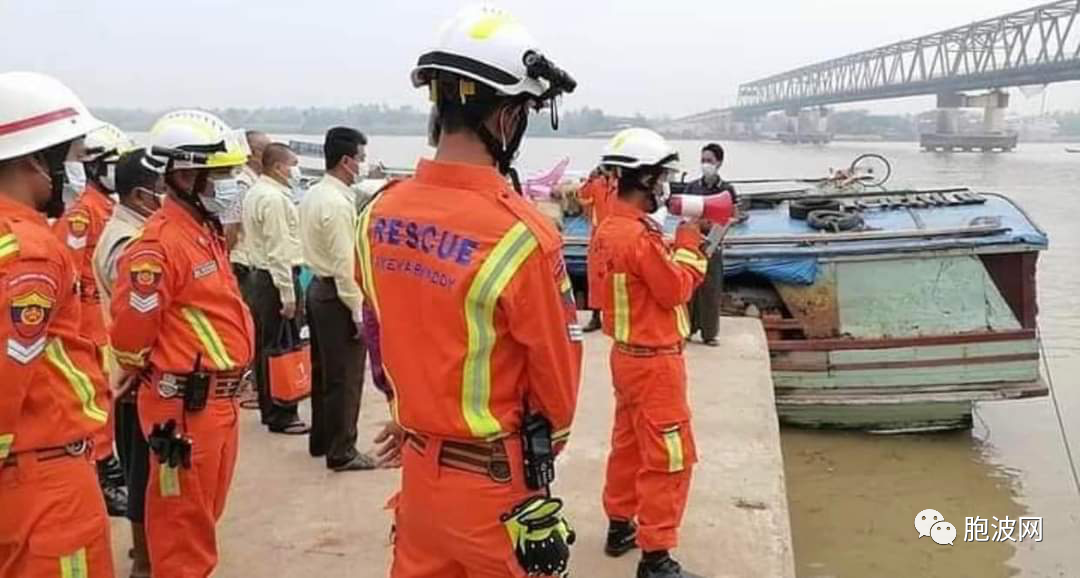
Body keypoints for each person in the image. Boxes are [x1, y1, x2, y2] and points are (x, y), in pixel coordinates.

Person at [356, 6, 581, 577]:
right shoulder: (523, 237)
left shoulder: (377, 212)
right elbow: (556, 395)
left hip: (418, 477)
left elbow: (379, 334)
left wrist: (416, 415)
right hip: (494, 490)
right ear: (507, 118)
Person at [109, 109, 254, 578]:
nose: (231, 186)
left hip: (217, 406)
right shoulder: (158, 245)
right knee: (182, 541)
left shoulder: (202, 233)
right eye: (223, 176)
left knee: (201, 522)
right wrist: (138, 369)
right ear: (187, 175)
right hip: (185, 412)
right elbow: (132, 333)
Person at [0, 71, 115, 577]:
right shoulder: (29, 249)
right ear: (33, 160)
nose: (76, 176)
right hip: (45, 477)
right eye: (69, 161)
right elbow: (8, 375)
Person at [590, 128, 708, 578]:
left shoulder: (610, 227)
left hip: (626, 356)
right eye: (661, 178)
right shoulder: (639, 238)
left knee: (629, 445)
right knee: (669, 456)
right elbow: (674, 289)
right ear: (643, 180)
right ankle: (656, 558)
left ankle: (620, 524)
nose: (666, 187)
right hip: (656, 360)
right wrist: (692, 245)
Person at [52, 122, 135, 517]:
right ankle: (105, 478)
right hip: (86, 325)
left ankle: (109, 472)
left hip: (102, 322)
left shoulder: (107, 210)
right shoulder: (84, 214)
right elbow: (66, 271)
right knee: (97, 404)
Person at [92, 148, 165, 578]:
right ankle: (144, 558)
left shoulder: (131, 231)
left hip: (130, 369)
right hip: (134, 373)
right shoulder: (130, 243)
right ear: (142, 194)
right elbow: (137, 315)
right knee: (142, 471)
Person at [299, 127, 374, 471]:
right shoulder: (338, 204)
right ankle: (342, 449)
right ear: (347, 161)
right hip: (337, 293)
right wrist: (358, 311)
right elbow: (347, 264)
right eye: (360, 158)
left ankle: (322, 438)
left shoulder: (315, 194)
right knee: (346, 377)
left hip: (317, 287)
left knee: (324, 371)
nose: (363, 164)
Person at [242, 142, 308, 434]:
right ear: (279, 167)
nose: (296, 170)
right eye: (293, 164)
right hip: (274, 277)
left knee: (266, 346)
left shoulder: (256, 192)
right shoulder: (274, 199)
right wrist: (288, 293)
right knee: (281, 347)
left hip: (261, 277)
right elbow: (278, 249)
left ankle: (271, 407)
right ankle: (282, 410)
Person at [682, 143, 735, 347]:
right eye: (703, 160)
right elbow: (685, 214)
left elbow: (731, 216)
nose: (705, 164)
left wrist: (715, 229)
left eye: (710, 161)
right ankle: (687, 329)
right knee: (689, 288)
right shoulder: (693, 187)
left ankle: (710, 333)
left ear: (719, 163)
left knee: (711, 289)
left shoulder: (726, 190)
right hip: (692, 243)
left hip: (713, 244)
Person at [223, 130, 269, 287]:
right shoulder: (242, 185)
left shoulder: (258, 183)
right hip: (244, 267)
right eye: (267, 150)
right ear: (253, 153)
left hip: (257, 265)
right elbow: (231, 227)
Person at [578, 165, 617, 332]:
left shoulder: (620, 187)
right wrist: (589, 178)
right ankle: (595, 316)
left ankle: (614, 318)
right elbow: (582, 197)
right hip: (598, 237)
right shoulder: (596, 184)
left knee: (615, 277)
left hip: (617, 236)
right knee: (595, 278)